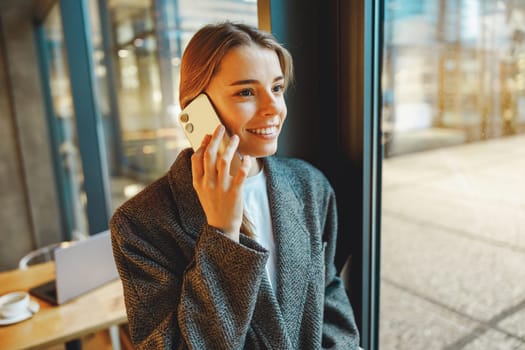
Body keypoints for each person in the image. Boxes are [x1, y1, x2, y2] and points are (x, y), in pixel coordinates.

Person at [110, 21, 360, 349]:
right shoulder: (139, 223)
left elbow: (327, 296)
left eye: (277, 88)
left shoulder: (310, 186)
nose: (274, 109)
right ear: (196, 108)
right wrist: (222, 234)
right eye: (246, 92)